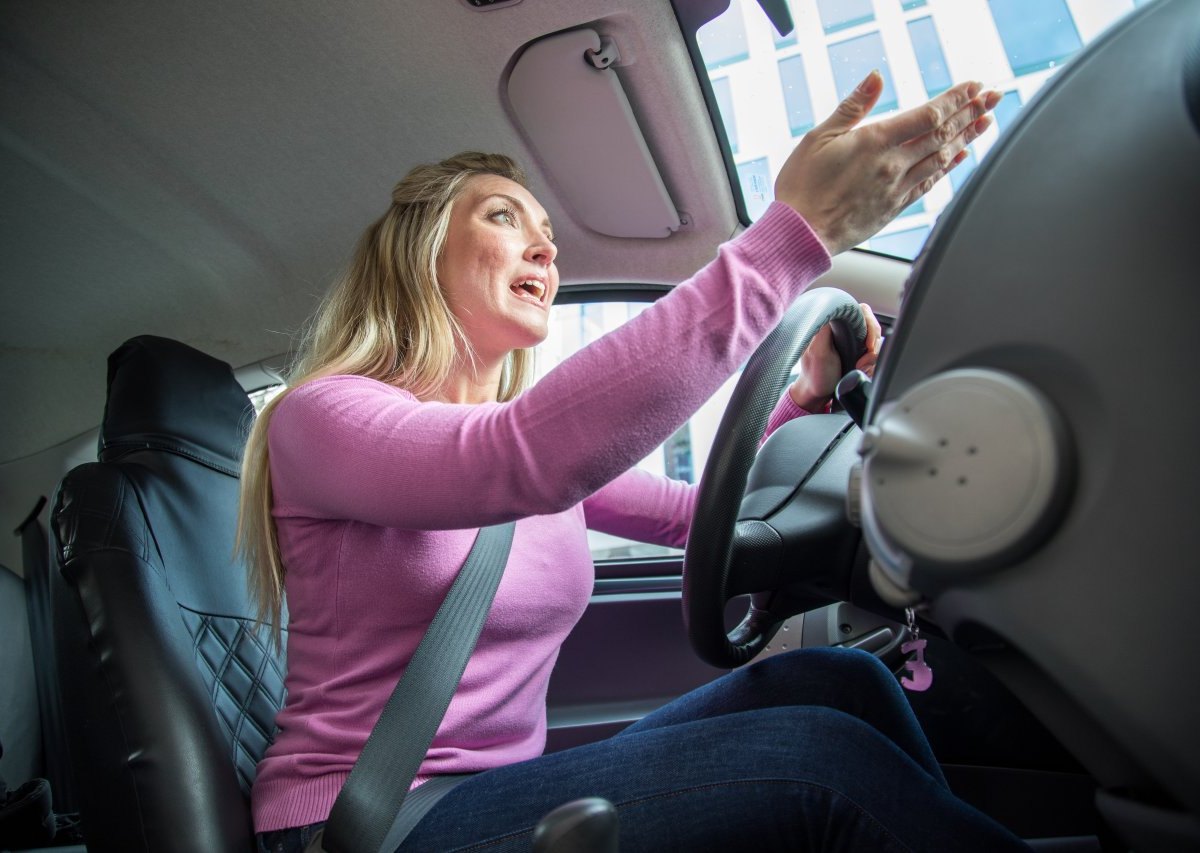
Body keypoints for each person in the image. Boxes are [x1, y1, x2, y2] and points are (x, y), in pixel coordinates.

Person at [240, 71, 1023, 851]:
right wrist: (792, 237)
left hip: (496, 792)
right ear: (419, 252)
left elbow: (711, 519)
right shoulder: (323, 416)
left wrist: (807, 397)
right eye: (503, 216)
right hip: (363, 820)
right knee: (814, 764)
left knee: (841, 682)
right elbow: (523, 456)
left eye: (547, 232)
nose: (545, 246)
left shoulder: (529, 455)